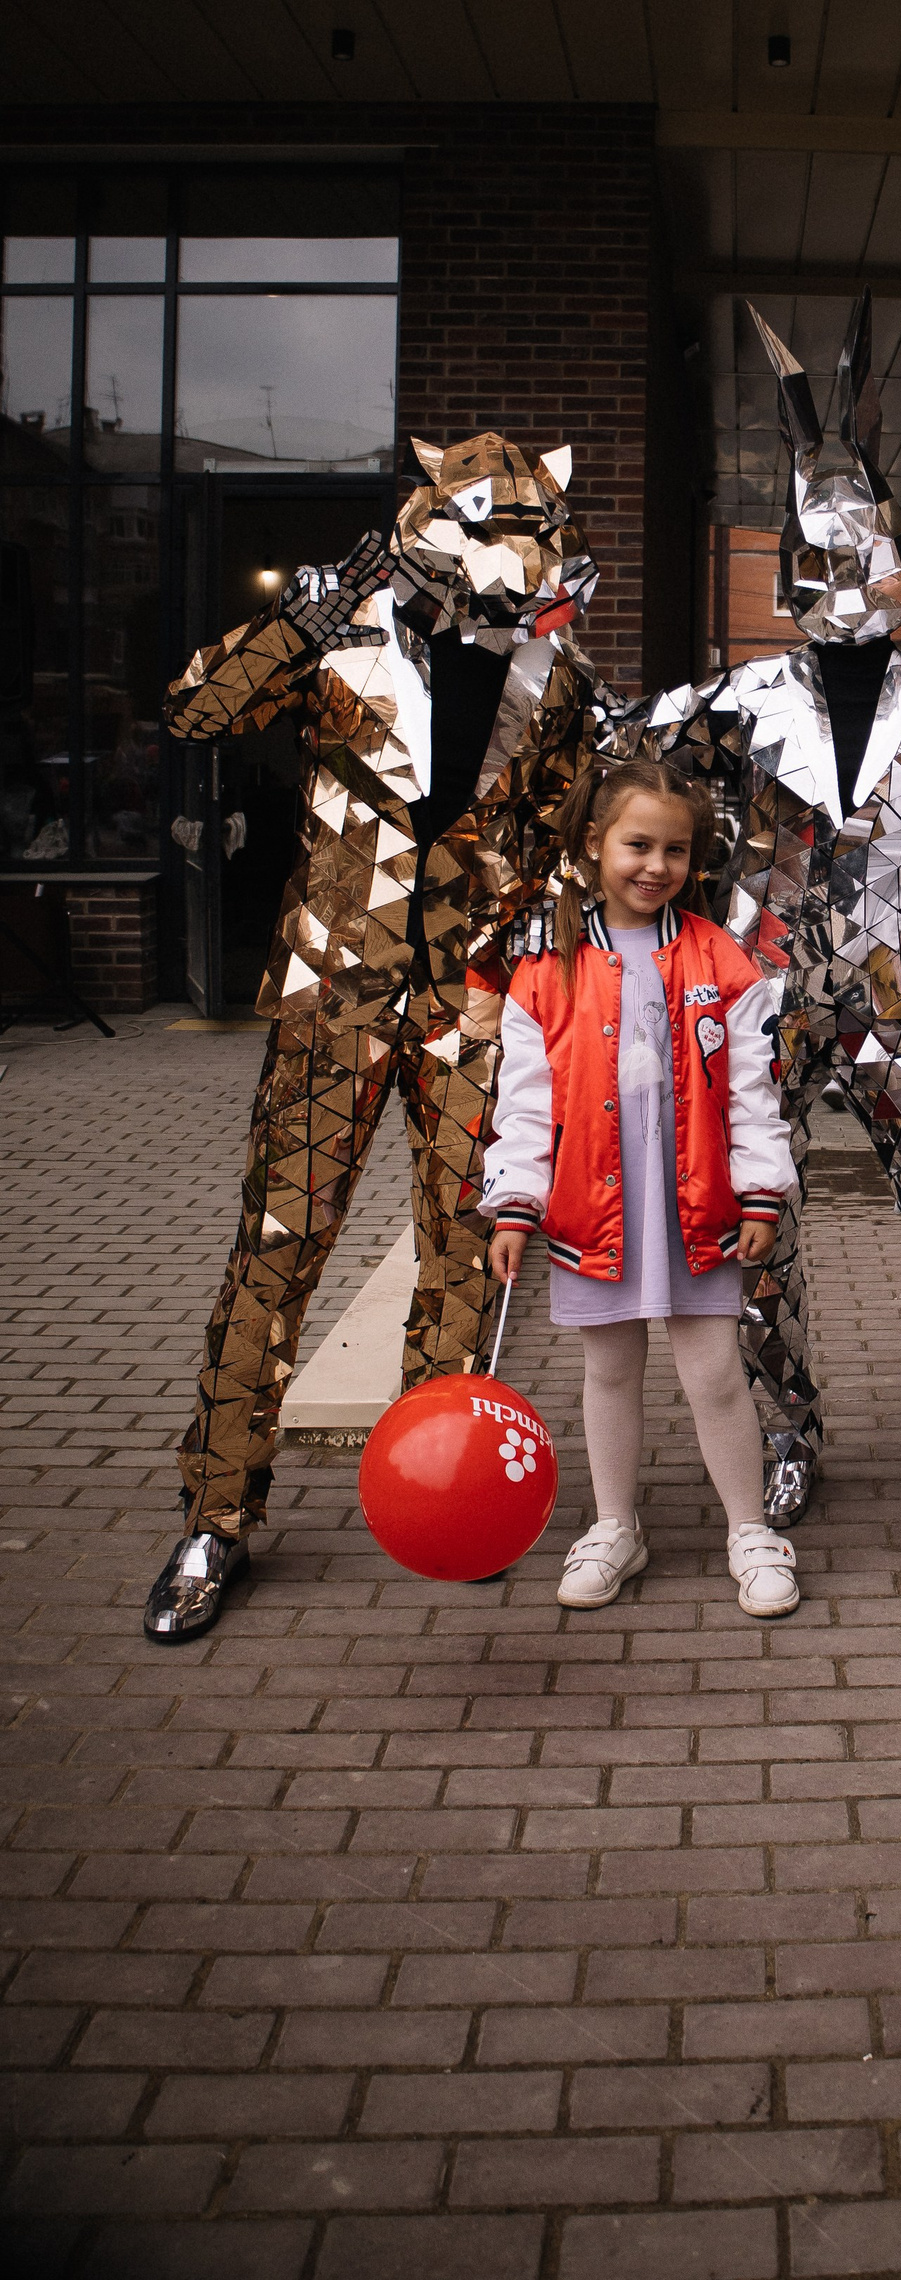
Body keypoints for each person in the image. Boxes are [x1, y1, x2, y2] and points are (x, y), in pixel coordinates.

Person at [144, 434, 610, 1645]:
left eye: (537, 533)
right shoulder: (337, 637)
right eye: (494, 529)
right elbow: (195, 708)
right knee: (277, 1249)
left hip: (473, 1005)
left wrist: (545, 956)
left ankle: (441, 1494)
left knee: (465, 1256)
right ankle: (215, 1517)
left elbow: (570, 835)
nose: (519, 558)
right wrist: (300, 617)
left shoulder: (558, 679)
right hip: (333, 998)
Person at [632, 297, 901, 1522]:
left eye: (866, 550)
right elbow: (604, 785)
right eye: (821, 554)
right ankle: (788, 1428)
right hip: (768, 1003)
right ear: (790, 565)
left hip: (897, 1003)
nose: (847, 575)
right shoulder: (735, 701)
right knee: (757, 1223)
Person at [481, 757, 804, 1618]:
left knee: (715, 1373)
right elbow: (525, 1102)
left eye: (676, 850)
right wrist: (514, 1204)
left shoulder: (721, 958)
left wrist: (761, 1192)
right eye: (638, 845)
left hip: (696, 1210)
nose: (657, 866)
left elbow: (751, 1091)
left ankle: (750, 1531)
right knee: (610, 1371)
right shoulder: (545, 969)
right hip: (594, 1211)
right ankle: (615, 1526)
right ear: (594, 843)